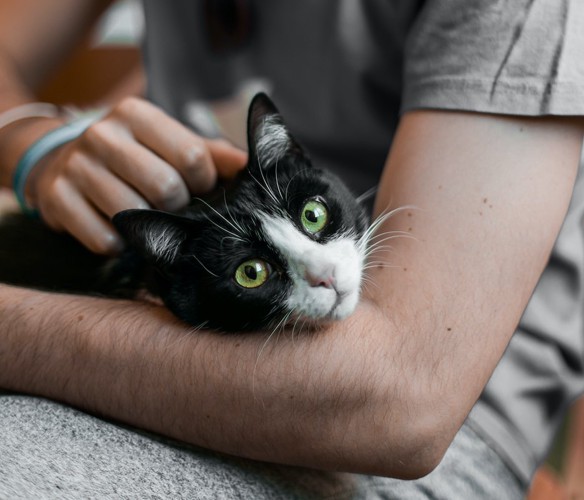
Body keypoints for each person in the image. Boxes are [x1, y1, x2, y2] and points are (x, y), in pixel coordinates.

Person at [1, 0, 583, 497]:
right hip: (171, 293)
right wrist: (30, 136)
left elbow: (399, 405)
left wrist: (14, 331)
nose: (327, 272)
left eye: (314, 218)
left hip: (428, 419)